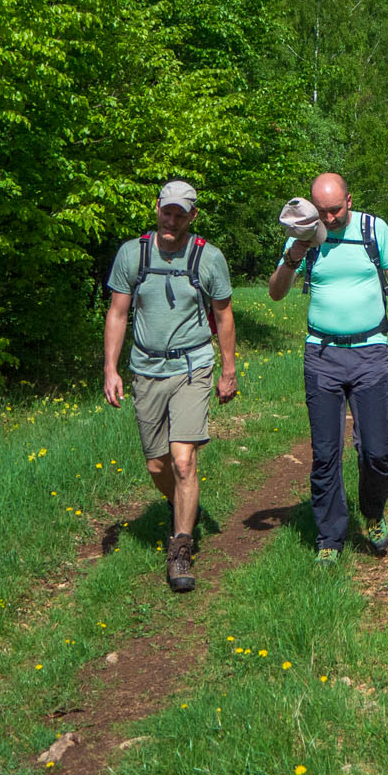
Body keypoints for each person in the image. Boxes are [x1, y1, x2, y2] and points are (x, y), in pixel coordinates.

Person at [268, 173, 388, 564]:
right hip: (321, 356)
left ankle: (372, 513)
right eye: (322, 212)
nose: (330, 218)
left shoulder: (374, 229)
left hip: (370, 352)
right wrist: (294, 254)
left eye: (335, 210)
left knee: (377, 452)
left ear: (349, 200)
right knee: (325, 454)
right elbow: (276, 291)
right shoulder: (303, 236)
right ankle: (329, 539)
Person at [103, 180, 238, 593]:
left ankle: (180, 547)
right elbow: (117, 313)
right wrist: (111, 369)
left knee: (183, 461)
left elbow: (225, 314)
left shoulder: (209, 258)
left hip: (193, 366)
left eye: (181, 214)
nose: (172, 220)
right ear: (157, 209)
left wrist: (228, 369)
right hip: (145, 368)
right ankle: (180, 504)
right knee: (157, 465)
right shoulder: (132, 254)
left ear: (192, 216)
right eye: (168, 211)